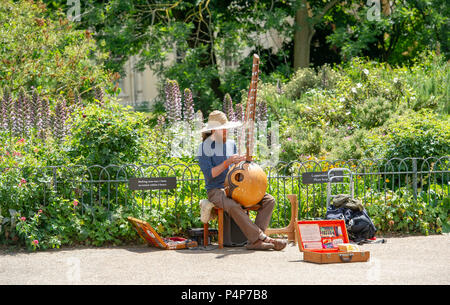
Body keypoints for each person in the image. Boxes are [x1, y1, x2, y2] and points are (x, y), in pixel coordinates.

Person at [196, 110, 287, 251]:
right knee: (232, 206)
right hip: (216, 190)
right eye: (222, 130)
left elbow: (235, 169)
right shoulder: (203, 148)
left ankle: (255, 240)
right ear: (213, 130)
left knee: (269, 200)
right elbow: (210, 175)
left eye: (226, 129)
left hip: (234, 186)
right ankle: (260, 239)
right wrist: (227, 162)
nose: (226, 132)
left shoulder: (231, 144)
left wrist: (244, 161)